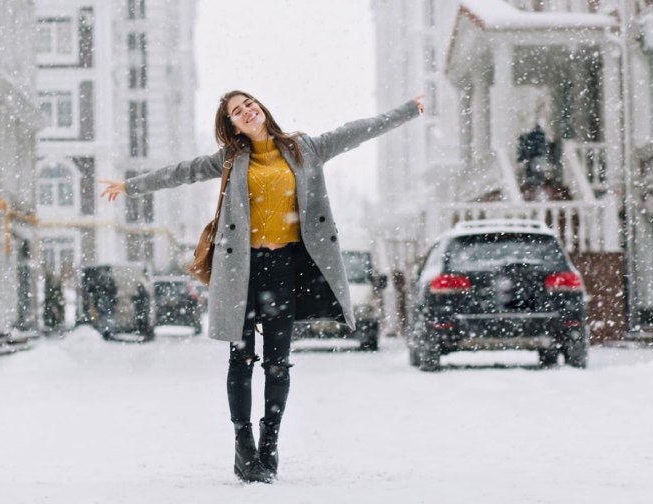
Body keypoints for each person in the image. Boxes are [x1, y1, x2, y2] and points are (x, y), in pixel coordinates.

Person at [100, 90, 424, 483]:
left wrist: (407, 110)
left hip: (285, 268)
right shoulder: (231, 160)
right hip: (241, 268)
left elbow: (356, 131)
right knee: (241, 359)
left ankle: (270, 446)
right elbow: (181, 172)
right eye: (236, 112)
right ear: (232, 126)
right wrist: (130, 186)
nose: (246, 112)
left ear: (261, 109)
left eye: (248, 105)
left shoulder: (305, 148)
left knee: (277, 362)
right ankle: (244, 446)